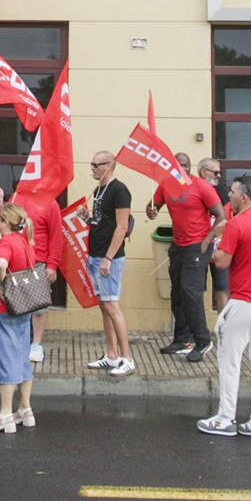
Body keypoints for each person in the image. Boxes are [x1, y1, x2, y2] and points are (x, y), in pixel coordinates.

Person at [199, 175, 251, 440]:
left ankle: (226, 417)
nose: (230, 198)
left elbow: (221, 262)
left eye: (233, 193)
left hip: (246, 302)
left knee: (230, 362)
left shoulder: (236, 225)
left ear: (244, 196)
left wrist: (220, 237)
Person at [147, 152, 225, 363]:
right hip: (178, 245)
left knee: (191, 293)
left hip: (197, 246)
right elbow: (152, 207)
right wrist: (151, 211)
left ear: (190, 167)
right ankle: (182, 339)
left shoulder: (202, 187)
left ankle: (202, 340)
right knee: (178, 294)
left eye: (185, 165)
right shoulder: (166, 185)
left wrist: (207, 240)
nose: (182, 168)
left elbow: (221, 215)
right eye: (178, 165)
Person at [0, 203, 37, 434]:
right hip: (22, 306)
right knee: (22, 355)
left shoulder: (6, 242)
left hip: (1, 308)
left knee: (5, 358)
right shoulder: (24, 240)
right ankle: (25, 409)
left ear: (5, 222)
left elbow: (1, 264)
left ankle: (5, 414)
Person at [0, 184, 63, 364]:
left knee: (39, 305)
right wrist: (0, 203)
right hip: (15, 257)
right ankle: (13, 343)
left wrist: (52, 264)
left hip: (38, 261)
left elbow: (56, 236)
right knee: (13, 302)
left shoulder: (50, 203)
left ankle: (36, 345)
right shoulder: (16, 197)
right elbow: (3, 223)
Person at [85, 151, 135, 376]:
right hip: (96, 255)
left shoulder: (119, 190)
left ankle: (128, 358)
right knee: (104, 305)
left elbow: (122, 227)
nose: (93, 168)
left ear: (110, 165)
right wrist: (85, 219)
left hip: (108, 258)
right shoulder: (98, 191)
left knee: (113, 306)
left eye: (97, 165)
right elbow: (101, 222)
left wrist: (108, 257)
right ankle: (112, 355)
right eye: (92, 164)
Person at [197, 157, 231, 312]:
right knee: (196, 289)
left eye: (220, 172)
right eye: (216, 172)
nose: (219, 175)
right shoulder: (194, 188)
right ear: (204, 172)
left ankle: (223, 328)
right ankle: (198, 329)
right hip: (198, 245)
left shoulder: (224, 191)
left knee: (222, 287)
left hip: (220, 246)